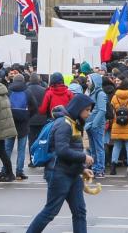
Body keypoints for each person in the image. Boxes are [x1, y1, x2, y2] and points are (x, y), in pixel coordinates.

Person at [25, 93, 94, 233]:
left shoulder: (74, 123)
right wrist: (83, 158)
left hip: (71, 173)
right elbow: (62, 151)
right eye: (87, 110)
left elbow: (71, 149)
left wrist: (82, 169)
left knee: (80, 212)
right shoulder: (64, 124)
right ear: (78, 108)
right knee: (51, 211)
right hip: (59, 173)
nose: (89, 113)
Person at [85, 74, 108, 179]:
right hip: (90, 125)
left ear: (95, 82)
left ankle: (100, 169)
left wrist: (94, 124)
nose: (87, 83)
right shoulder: (91, 92)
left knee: (98, 148)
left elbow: (102, 110)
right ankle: (95, 167)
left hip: (96, 126)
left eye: (89, 81)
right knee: (93, 148)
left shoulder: (100, 94)